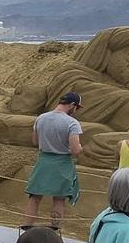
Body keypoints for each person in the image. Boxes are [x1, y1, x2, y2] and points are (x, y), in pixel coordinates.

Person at [24, 93, 85, 229]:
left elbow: (35, 141)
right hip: (62, 163)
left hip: (43, 161)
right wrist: (81, 149)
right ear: (72, 105)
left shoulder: (41, 118)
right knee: (59, 199)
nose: (76, 111)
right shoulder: (72, 123)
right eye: (77, 108)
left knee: (34, 197)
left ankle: (26, 228)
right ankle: (55, 230)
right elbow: (75, 150)